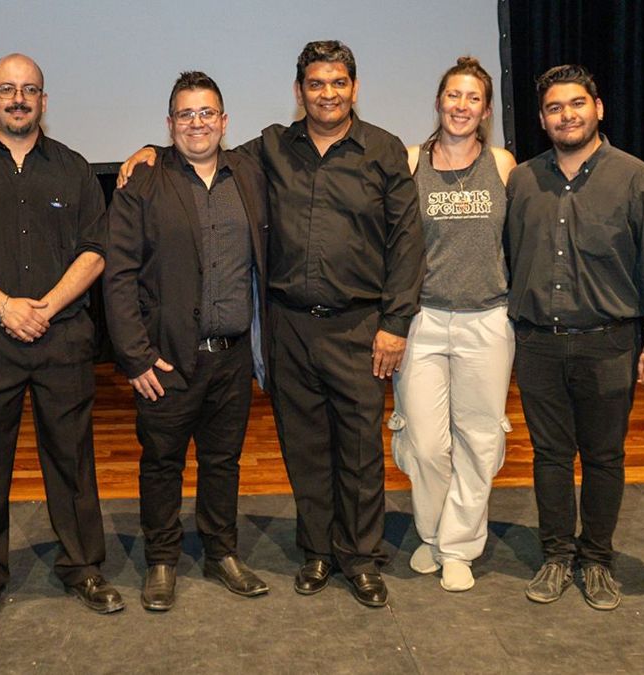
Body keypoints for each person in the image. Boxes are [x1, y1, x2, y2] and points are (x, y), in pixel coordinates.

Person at [119, 40, 424, 607]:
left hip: (360, 327)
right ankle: (315, 551)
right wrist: (148, 149)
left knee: (358, 448)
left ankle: (360, 558)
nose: (327, 94)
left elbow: (408, 243)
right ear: (298, 91)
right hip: (288, 327)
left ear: (354, 88)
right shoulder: (271, 149)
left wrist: (396, 321)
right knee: (304, 447)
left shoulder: (383, 151)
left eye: (337, 83)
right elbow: (197, 142)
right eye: (315, 83)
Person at [0, 53, 122, 626]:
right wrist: (6, 307)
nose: (19, 99)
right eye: (7, 89)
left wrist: (46, 307)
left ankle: (84, 567)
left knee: (72, 458)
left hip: (62, 336)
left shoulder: (73, 167)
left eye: (30, 90)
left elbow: (96, 250)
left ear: (43, 100)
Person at [506, 64, 644, 611]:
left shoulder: (638, 180)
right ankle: (558, 555)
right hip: (538, 343)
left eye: (576, 104)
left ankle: (598, 559)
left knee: (605, 456)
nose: (567, 115)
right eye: (555, 108)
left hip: (608, 343)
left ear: (598, 108)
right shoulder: (522, 180)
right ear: (542, 119)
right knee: (550, 455)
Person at [103, 71, 271, 611]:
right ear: (169, 123)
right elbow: (119, 275)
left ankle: (223, 552)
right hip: (167, 359)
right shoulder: (143, 180)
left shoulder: (248, 171)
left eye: (207, 114)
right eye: (185, 114)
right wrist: (135, 356)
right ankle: (161, 559)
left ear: (224, 122)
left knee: (223, 461)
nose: (197, 123)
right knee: (162, 463)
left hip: (233, 355)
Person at [388, 57, 516, 593]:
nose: (461, 106)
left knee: (480, 439)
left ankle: (458, 545)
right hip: (422, 320)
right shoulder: (410, 160)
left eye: (472, 99)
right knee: (424, 442)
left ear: (485, 109)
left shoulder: (504, 164)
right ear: (438, 101)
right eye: (452, 96)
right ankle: (432, 532)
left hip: (487, 320)